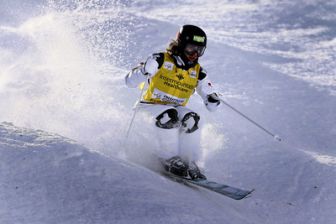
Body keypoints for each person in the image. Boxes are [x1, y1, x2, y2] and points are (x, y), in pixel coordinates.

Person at [125, 24, 220, 180]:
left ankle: (188, 161)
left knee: (192, 119)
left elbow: (212, 104)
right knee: (170, 115)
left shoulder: (198, 72)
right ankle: (168, 158)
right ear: (181, 44)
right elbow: (129, 82)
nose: (194, 54)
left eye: (199, 50)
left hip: (174, 108)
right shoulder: (160, 60)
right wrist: (144, 71)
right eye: (191, 48)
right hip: (149, 106)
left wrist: (212, 99)